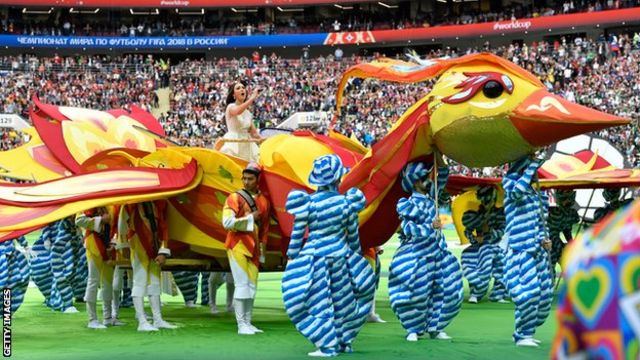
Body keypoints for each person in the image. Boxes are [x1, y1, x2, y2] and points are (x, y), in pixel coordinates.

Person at [283, 154, 375, 357]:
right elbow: (353, 237)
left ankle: (326, 344)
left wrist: (292, 257)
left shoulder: (308, 203)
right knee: (344, 299)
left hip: (315, 256)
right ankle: (344, 340)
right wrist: (355, 259)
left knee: (317, 300)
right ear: (337, 178)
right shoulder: (347, 204)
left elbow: (298, 234)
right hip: (341, 256)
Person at [388, 158, 463, 342]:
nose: (429, 180)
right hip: (417, 255)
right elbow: (408, 229)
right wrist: (430, 225)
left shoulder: (433, 198)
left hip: (438, 253)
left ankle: (436, 327)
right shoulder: (406, 204)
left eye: (429, 176)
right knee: (415, 293)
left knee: (448, 290)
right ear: (415, 181)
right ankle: (413, 328)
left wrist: (440, 158)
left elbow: (442, 175)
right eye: (424, 177)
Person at [502, 155, 553, 347]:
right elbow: (517, 192)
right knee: (529, 293)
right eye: (530, 169)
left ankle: (526, 330)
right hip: (520, 249)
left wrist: (544, 239)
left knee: (545, 295)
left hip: (537, 251)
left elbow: (541, 222)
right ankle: (523, 334)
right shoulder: (510, 185)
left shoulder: (537, 194)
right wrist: (532, 165)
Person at [222, 162, 270, 335]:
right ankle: (241, 324)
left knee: (252, 286)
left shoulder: (264, 201)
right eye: (244, 178)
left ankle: (248, 322)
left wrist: (263, 253)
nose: (246, 181)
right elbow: (226, 222)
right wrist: (250, 217)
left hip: (255, 248)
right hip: (237, 245)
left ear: (258, 180)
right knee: (242, 285)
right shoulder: (234, 197)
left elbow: (265, 229)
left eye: (250, 179)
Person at [117, 200, 177, 331]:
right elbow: (121, 226)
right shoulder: (129, 204)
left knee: (155, 282)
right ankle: (142, 321)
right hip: (137, 243)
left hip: (155, 245)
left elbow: (163, 227)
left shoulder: (158, 203)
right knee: (140, 281)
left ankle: (158, 319)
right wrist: (124, 246)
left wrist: (163, 251)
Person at [75, 207, 123, 329]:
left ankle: (107, 318)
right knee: (93, 281)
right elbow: (79, 220)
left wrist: (113, 243)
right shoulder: (89, 202)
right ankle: (92, 319)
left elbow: (116, 225)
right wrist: (101, 219)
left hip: (109, 249)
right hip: (93, 246)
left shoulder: (113, 204)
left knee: (108, 283)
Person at [461, 186, 508, 304]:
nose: (486, 203)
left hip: (495, 245)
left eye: (488, 200)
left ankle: (498, 295)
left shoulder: (499, 213)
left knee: (501, 268)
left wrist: (491, 232)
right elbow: (467, 231)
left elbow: (502, 229)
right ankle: (476, 293)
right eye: (484, 200)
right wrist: (475, 238)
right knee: (482, 268)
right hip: (481, 247)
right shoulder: (476, 214)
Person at [218, 81, 264, 162]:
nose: (242, 90)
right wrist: (252, 97)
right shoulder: (231, 107)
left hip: (247, 145)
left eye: (243, 88)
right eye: (238, 88)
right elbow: (238, 111)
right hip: (233, 143)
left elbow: (254, 133)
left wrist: (266, 141)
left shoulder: (248, 113)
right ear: (233, 95)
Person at [547, 189, 579, 281]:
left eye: (570, 198)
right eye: (564, 198)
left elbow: (567, 229)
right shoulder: (554, 212)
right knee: (550, 263)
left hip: (555, 241)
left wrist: (571, 243)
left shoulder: (571, 213)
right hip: (548, 240)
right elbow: (552, 232)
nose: (567, 201)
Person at [0, 236, 32, 314]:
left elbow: (16, 232)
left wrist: (25, 245)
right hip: (6, 255)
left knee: (10, 284)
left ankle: (6, 312)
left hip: (10, 256)